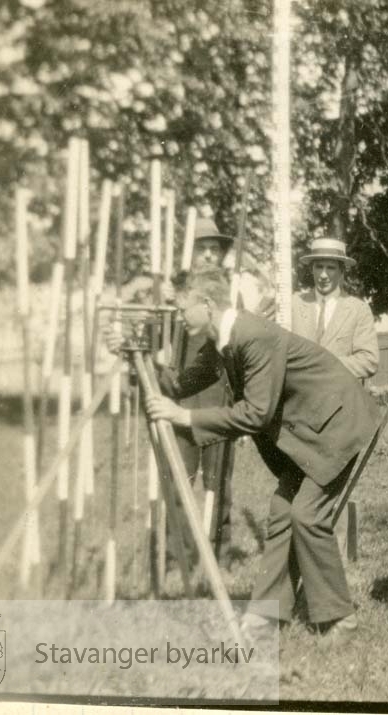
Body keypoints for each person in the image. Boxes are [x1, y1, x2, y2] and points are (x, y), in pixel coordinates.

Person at [133, 266, 377, 639]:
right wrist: (139, 359)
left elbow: (256, 413)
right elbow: (183, 382)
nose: (180, 317)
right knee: (283, 511)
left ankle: (340, 617)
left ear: (207, 304)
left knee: (306, 513)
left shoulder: (253, 336)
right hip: (311, 431)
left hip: (337, 426)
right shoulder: (222, 338)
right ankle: (267, 615)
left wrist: (184, 416)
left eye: (183, 309)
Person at [169, 217, 236, 567]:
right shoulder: (177, 292)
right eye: (202, 248)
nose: (209, 255)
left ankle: (219, 552)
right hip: (181, 397)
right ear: (191, 253)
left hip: (218, 400)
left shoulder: (232, 290)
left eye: (214, 249)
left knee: (218, 481)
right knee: (178, 479)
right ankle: (175, 553)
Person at [291, 234, 379, 381]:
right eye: (319, 267)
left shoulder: (358, 310)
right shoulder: (294, 304)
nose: (323, 275)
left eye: (330, 268)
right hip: (299, 399)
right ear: (312, 269)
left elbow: (369, 361)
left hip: (339, 399)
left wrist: (324, 365)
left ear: (342, 271)